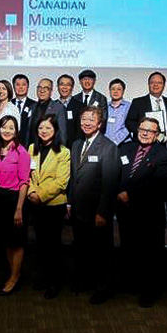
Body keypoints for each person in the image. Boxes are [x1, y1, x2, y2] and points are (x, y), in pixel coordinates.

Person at [116, 117, 167, 307]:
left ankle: (150, 291)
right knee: (129, 249)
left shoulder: (164, 155)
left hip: (149, 214)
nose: (145, 133)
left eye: (150, 131)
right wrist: (119, 192)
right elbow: (115, 173)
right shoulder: (125, 149)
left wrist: (130, 194)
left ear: (157, 135)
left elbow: (158, 183)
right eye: (142, 129)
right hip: (125, 212)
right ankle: (132, 284)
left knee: (151, 255)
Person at [69, 106, 120, 305]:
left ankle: (103, 288)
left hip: (97, 211)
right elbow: (74, 177)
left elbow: (110, 183)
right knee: (83, 249)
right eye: (84, 119)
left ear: (99, 123)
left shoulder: (108, 147)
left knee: (102, 252)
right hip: (78, 209)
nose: (87, 123)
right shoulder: (76, 145)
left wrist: (103, 212)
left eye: (91, 119)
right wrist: (69, 203)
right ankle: (85, 281)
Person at [27, 114, 70, 300]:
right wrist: (31, 192)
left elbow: (61, 181)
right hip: (35, 204)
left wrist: (41, 196)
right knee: (41, 244)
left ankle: (55, 282)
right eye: (41, 128)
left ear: (55, 130)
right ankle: (45, 278)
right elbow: (27, 174)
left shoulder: (63, 152)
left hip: (54, 205)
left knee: (53, 245)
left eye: (48, 128)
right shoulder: (32, 149)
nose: (44, 131)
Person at [0, 115, 30, 296]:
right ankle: (13, 274)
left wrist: (19, 209)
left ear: (16, 131)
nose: (7, 131)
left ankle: (14, 277)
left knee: (16, 242)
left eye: (11, 128)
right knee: (6, 240)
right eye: (4, 127)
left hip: (15, 200)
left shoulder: (21, 152)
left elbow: (24, 182)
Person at [126, 71, 167, 143]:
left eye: (159, 83)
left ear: (164, 85)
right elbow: (129, 122)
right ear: (148, 84)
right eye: (152, 82)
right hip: (143, 142)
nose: (156, 85)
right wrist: (144, 132)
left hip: (166, 144)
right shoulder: (138, 102)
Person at [28, 78, 67, 145]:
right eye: (39, 87)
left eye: (46, 88)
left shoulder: (58, 108)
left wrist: (61, 148)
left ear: (51, 91)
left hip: (51, 148)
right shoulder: (32, 107)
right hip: (32, 147)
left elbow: (62, 132)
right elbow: (28, 132)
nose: (42, 90)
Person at [57, 74, 85, 150]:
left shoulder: (80, 106)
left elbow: (81, 132)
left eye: (68, 85)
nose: (64, 87)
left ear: (72, 87)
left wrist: (77, 148)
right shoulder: (52, 106)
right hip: (55, 149)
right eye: (62, 84)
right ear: (58, 87)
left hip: (74, 148)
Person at [11, 74, 37, 147]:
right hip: (11, 145)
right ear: (13, 87)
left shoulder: (35, 105)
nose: (21, 87)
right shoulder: (8, 104)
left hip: (29, 145)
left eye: (23, 85)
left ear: (28, 86)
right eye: (17, 85)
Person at [104, 78, 131, 146]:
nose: (115, 92)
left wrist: (115, 141)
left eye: (119, 89)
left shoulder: (129, 106)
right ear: (109, 91)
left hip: (123, 144)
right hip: (105, 144)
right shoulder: (104, 106)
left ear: (123, 91)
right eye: (113, 89)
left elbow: (129, 127)